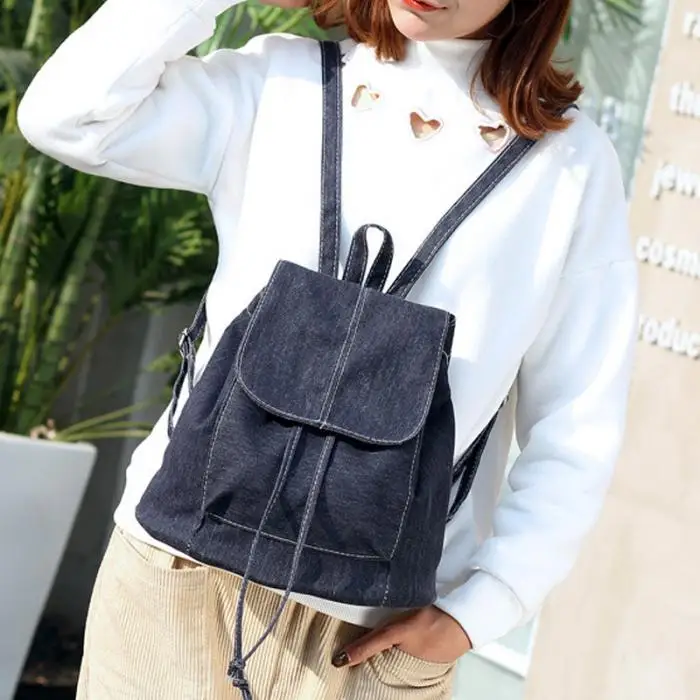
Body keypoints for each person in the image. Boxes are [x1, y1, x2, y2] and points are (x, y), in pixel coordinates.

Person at [18, 0, 638, 696]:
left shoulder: (568, 166)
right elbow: (66, 116)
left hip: (376, 630)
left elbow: (578, 421)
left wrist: (482, 608)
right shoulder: (280, 82)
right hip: (175, 576)